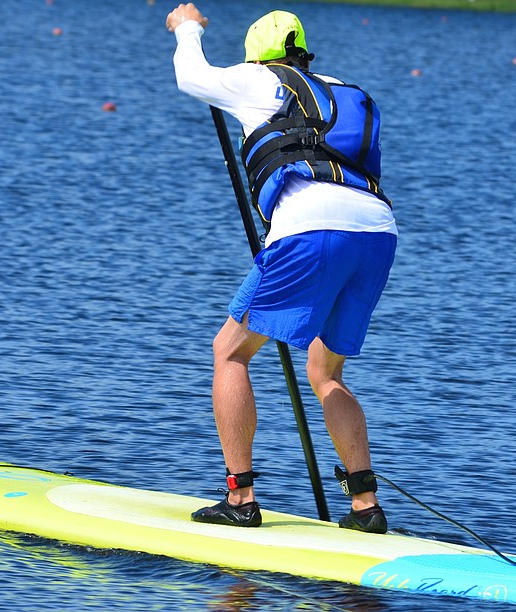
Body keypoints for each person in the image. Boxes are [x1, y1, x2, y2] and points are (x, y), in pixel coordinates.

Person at [166, 4, 397, 534]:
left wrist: (188, 28)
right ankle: (366, 508)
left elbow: (191, 76)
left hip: (312, 228)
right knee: (326, 371)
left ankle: (240, 499)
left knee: (230, 352)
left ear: (258, 55)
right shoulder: (352, 93)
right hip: (378, 231)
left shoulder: (257, 79)